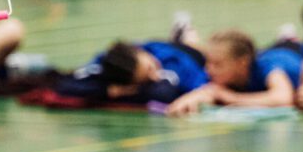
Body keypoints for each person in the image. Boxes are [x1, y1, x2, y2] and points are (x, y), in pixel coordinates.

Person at [166, 30, 301, 115]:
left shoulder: (268, 66)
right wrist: (191, 98)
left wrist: (228, 96)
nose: (209, 69)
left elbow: (283, 98)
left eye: (217, 64)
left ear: (241, 63)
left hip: (293, 51)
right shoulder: (225, 77)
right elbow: (209, 91)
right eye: (208, 62)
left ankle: (288, 38)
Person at [60, 38, 208, 104]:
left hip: (191, 54)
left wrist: (132, 92)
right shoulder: (112, 62)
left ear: (139, 50)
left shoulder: (172, 63)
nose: (154, 77)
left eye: (151, 67)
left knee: (200, 48)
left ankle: (187, 36)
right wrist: (109, 90)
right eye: (146, 79)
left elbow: (164, 94)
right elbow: (66, 84)